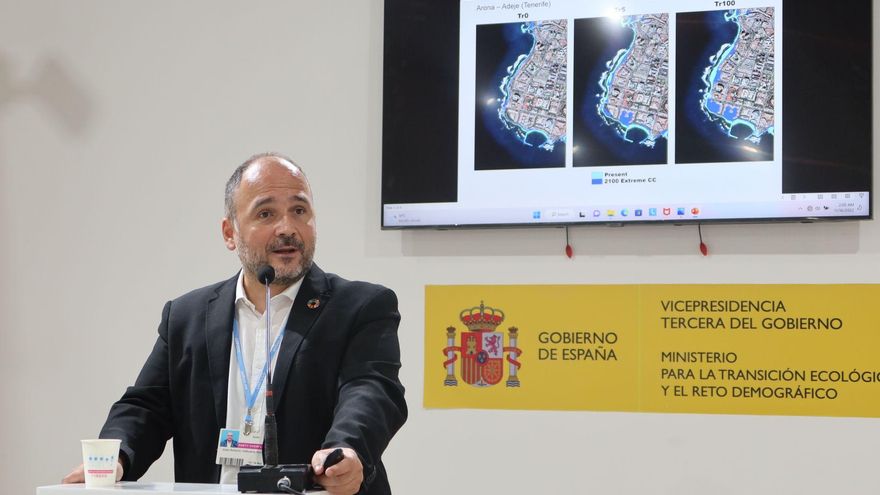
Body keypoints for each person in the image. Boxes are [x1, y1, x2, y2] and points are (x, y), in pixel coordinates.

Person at [63, 153, 408, 495]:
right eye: (266, 213)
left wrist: (347, 449)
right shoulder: (187, 316)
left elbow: (371, 390)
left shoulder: (359, 306)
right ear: (230, 233)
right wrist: (117, 458)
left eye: (299, 211)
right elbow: (146, 406)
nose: (287, 228)